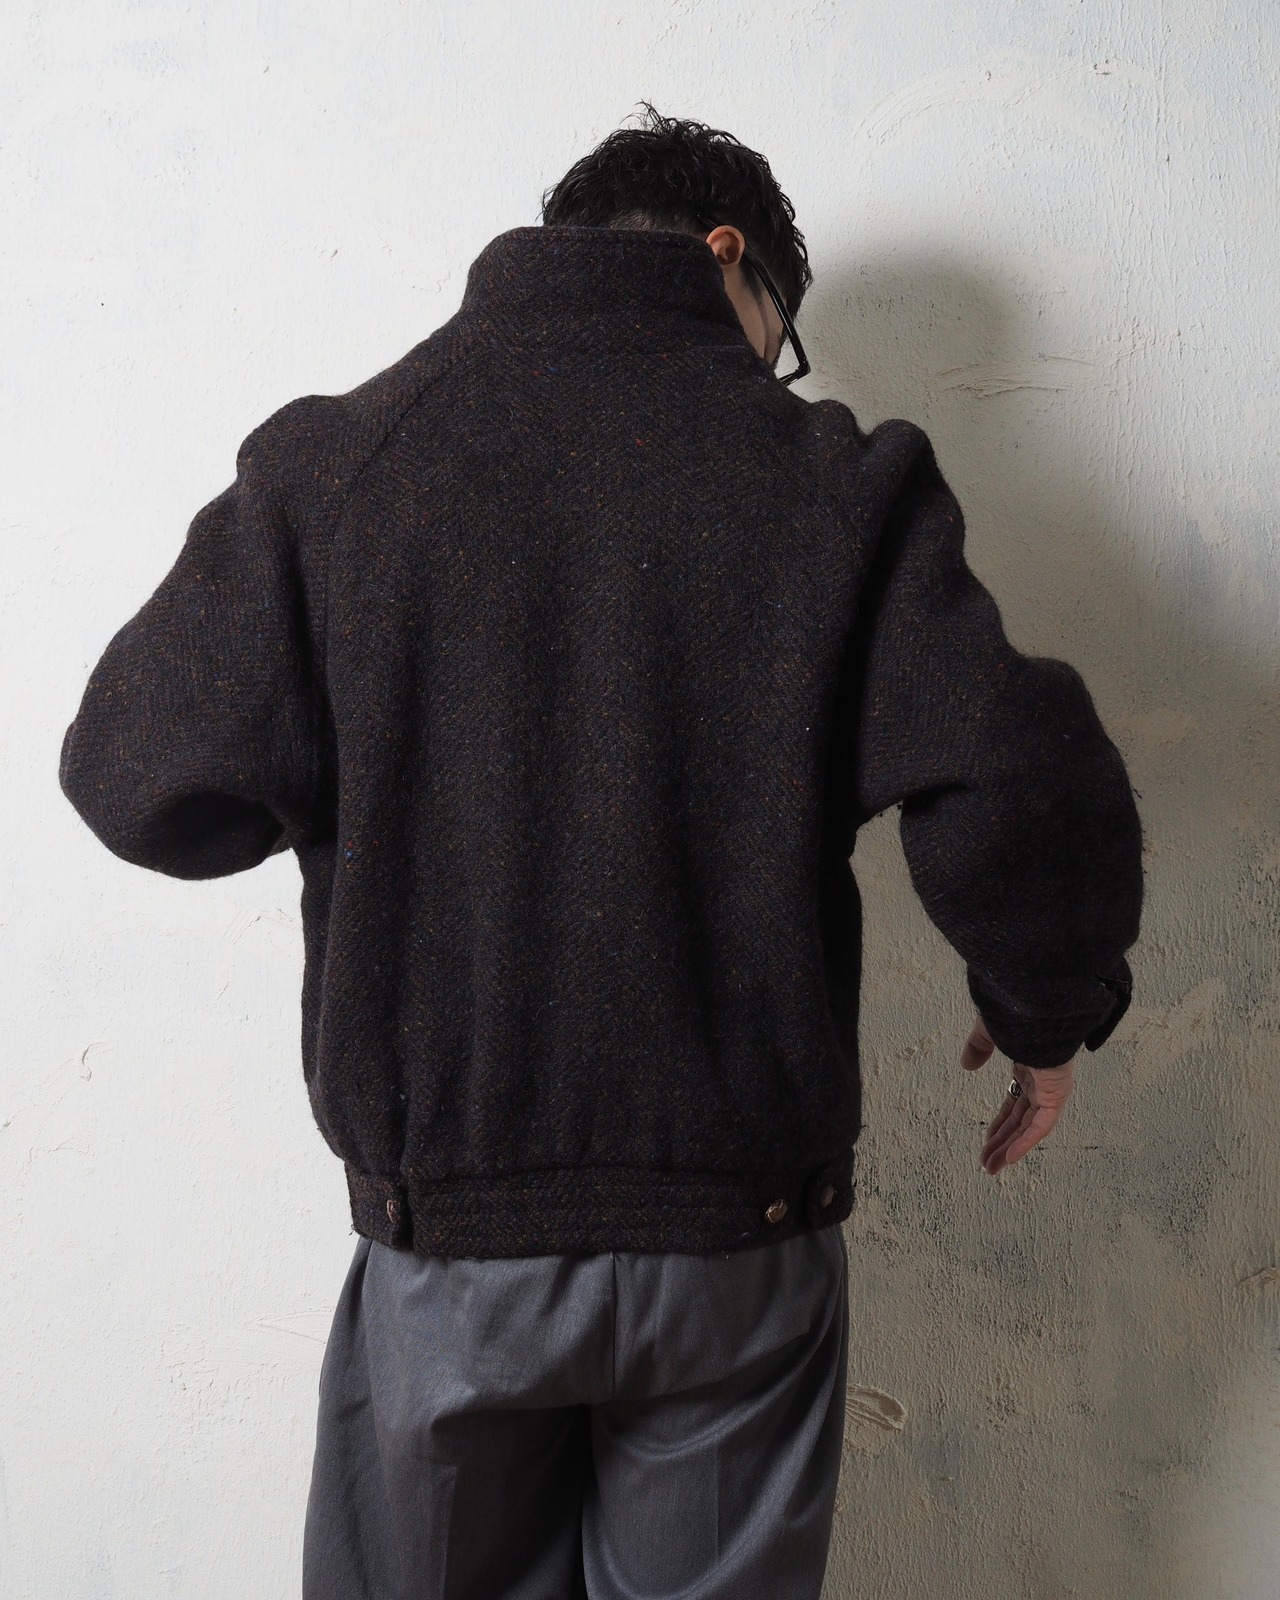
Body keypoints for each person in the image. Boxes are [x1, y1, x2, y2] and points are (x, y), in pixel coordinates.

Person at [58, 106, 1144, 1599]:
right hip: (738, 1245)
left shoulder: (342, 464)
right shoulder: (836, 482)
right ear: (726, 253)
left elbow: (135, 775)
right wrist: (1046, 1017)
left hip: (453, 1249)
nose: (772, 367)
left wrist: (368, 762)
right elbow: (1017, 768)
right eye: (780, 331)